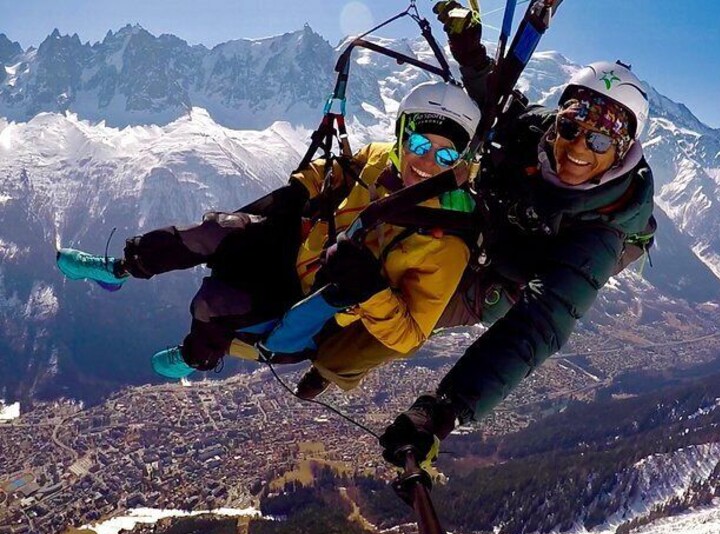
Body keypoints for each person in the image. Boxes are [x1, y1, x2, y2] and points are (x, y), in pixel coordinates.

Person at [57, 81, 482, 398]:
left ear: (461, 162)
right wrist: (300, 190)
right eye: (421, 143)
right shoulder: (376, 159)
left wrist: (370, 291)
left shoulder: (446, 244)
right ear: (402, 135)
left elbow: (409, 333)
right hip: (298, 251)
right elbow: (332, 175)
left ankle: (195, 356)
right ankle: (120, 269)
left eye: (446, 155)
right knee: (213, 231)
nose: (428, 162)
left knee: (211, 305)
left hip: (315, 310)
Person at [379, 4, 657, 467]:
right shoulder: (536, 132)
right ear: (558, 121)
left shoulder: (603, 228)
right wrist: (468, 50)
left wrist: (445, 409)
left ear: (623, 151)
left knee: (391, 299)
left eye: (602, 141)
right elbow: (499, 100)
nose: (579, 147)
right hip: (481, 229)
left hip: (494, 283)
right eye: (572, 126)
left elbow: (539, 324)